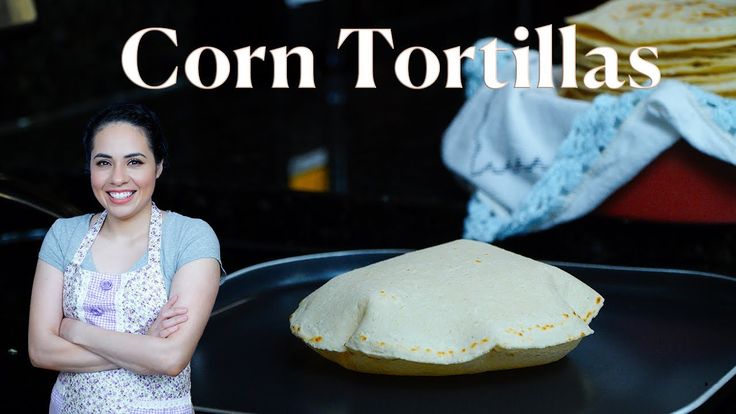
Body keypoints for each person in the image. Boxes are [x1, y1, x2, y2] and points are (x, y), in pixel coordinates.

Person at [28, 103, 223, 413]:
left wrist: (75, 331)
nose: (117, 178)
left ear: (158, 166)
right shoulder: (64, 235)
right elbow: (40, 350)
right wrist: (144, 345)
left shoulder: (190, 237)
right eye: (104, 163)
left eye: (134, 162)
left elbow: (170, 359)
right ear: (89, 167)